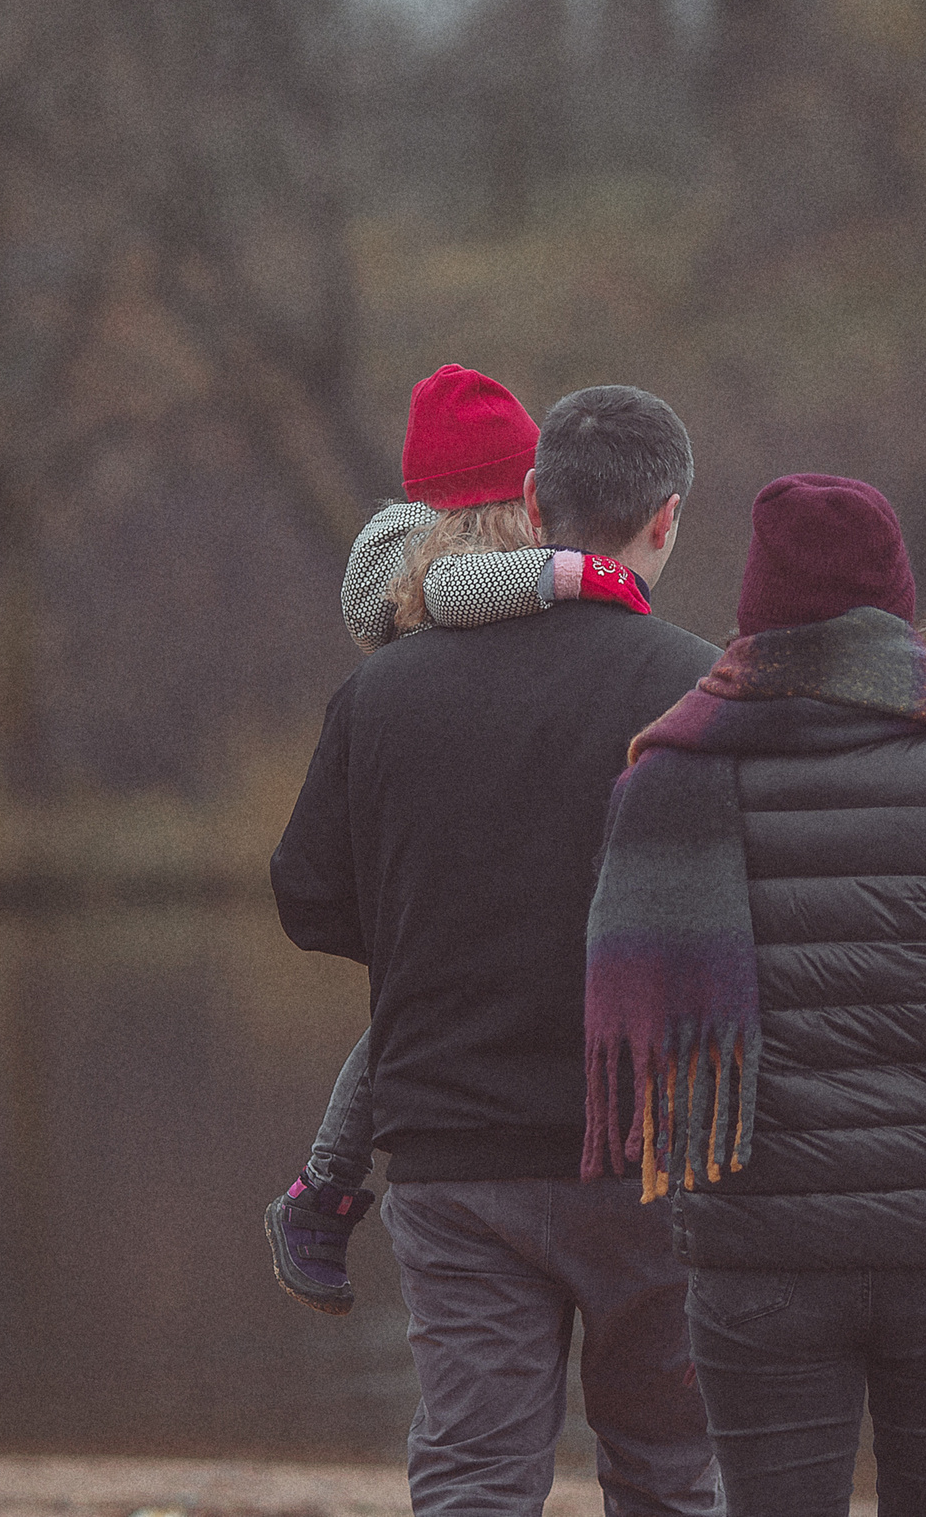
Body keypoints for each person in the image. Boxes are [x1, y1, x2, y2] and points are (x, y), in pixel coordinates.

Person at [582, 473, 926, 1517]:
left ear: (754, 613)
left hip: (758, 1261)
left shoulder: (666, 781)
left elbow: (636, 1047)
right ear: (896, 607)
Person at [271, 384, 723, 1517]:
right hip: (650, 1150)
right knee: (671, 1474)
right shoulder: (691, 687)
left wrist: (437, 928)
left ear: (534, 498)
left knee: (474, 1475)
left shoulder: (378, 693)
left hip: (451, 1149)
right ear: (664, 519)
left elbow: (307, 901)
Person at [266, 363, 651, 1317]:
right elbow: (476, 583)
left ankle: (322, 1190)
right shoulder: (449, 572)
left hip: (453, 1116)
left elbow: (305, 891)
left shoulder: (409, 575)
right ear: (525, 495)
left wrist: (419, 933)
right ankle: (320, 1186)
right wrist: (586, 572)